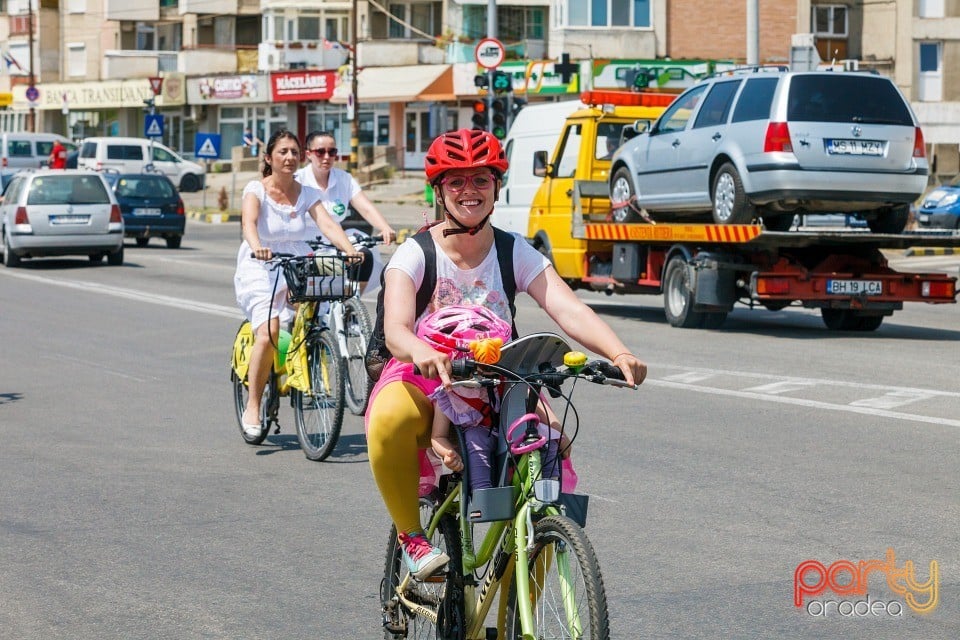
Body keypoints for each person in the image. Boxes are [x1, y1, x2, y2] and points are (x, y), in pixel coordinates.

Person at [365, 128, 647, 580]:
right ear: (439, 191)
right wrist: (423, 352)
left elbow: (567, 307)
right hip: (430, 379)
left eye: (480, 179)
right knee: (387, 418)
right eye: (456, 181)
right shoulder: (414, 254)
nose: (469, 191)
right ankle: (413, 538)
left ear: (496, 185)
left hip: (500, 384)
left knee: (548, 459)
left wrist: (619, 351)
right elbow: (396, 330)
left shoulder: (512, 249)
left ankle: (519, 610)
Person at [234, 129, 363, 437]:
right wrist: (256, 246)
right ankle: (254, 404)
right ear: (269, 158)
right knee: (269, 330)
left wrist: (349, 249)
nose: (290, 157)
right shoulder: (257, 189)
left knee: (315, 315)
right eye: (283, 152)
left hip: (295, 263)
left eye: (294, 151)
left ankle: (306, 368)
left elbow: (327, 223)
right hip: (261, 265)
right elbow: (248, 223)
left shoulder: (305, 192)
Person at [295, 130, 396, 290]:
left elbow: (365, 207)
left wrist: (384, 227)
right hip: (304, 244)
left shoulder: (344, 178)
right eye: (320, 152)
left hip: (337, 239)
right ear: (308, 154)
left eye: (332, 152)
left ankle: (351, 307)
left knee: (365, 256)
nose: (327, 157)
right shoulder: (298, 180)